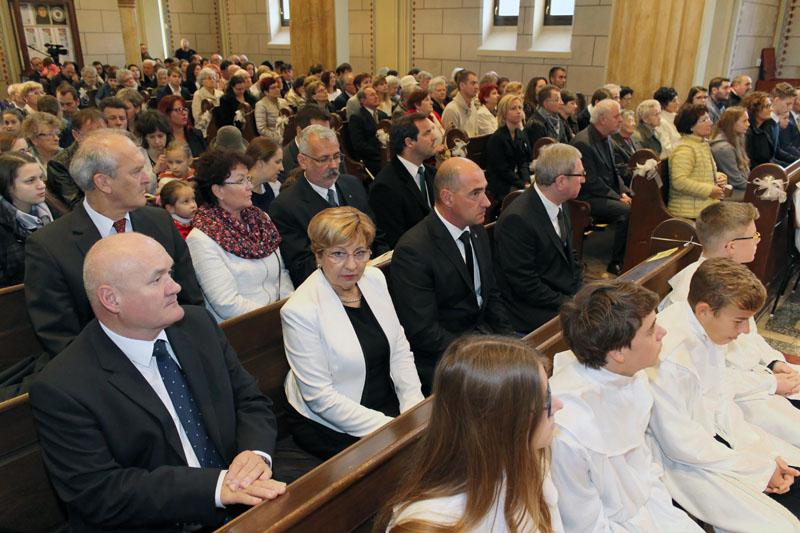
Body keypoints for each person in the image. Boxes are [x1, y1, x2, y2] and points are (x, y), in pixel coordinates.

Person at [29, 233, 285, 531]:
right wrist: (215, 487)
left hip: (242, 497)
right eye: (156, 279)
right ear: (111, 299)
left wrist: (255, 455)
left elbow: (250, 401)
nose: (175, 286)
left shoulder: (197, 325)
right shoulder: (63, 386)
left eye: (170, 273)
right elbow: (99, 491)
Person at [649, 258, 800, 530]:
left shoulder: (707, 327)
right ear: (705, 311)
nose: (745, 331)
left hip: (715, 441)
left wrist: (762, 454)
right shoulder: (671, 358)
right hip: (682, 463)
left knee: (791, 471)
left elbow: (720, 402)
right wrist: (757, 468)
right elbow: (682, 445)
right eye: (739, 321)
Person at [24, 129, 203, 355]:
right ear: (103, 182)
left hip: (176, 350)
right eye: (136, 172)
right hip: (105, 366)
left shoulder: (159, 222)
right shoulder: (49, 246)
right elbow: (61, 337)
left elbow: (191, 301)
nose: (147, 179)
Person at [551, 280, 703, 532]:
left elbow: (643, 470)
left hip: (650, 510)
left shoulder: (632, 377)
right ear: (617, 352)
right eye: (651, 329)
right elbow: (582, 523)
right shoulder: (567, 425)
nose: (663, 332)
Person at [280, 207, 423, 459]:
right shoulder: (300, 311)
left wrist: (413, 407)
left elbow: (399, 349)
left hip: (383, 395)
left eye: (360, 252)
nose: (352, 265)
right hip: (331, 421)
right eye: (338, 254)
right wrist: (393, 428)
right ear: (318, 255)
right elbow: (320, 398)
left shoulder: (374, 279)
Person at [384, 335, 565, 532]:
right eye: (545, 399)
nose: (558, 405)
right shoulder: (428, 524)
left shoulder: (528, 461)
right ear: (502, 421)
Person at [659, 202, 800, 448]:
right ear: (731, 246)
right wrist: (771, 383)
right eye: (754, 236)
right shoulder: (695, 294)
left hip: (756, 375)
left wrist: (774, 362)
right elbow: (715, 377)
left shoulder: (731, 279)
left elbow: (750, 336)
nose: (758, 241)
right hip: (738, 396)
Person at [390, 157, 514, 393]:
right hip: (445, 357)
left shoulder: (476, 230)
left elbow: (492, 295)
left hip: (480, 338)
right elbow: (424, 332)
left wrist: (511, 342)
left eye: (485, 190)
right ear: (447, 197)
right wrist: (482, 353)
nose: (487, 202)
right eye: (475, 193)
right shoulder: (413, 251)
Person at [269, 125, 389, 286]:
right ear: (303, 161)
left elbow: (377, 237)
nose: (333, 165)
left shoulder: (352, 185)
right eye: (324, 159)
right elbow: (302, 267)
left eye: (337, 156)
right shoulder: (285, 206)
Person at [186, 149, 293, 322]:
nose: (250, 186)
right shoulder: (201, 239)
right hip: (242, 328)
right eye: (241, 180)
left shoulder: (261, 219)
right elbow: (226, 303)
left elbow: (282, 272)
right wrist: (275, 317)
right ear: (218, 191)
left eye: (248, 178)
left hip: (282, 316)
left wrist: (291, 307)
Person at [494, 143, 584, 333]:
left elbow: (571, 254)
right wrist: (568, 302)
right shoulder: (517, 220)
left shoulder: (560, 202)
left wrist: (579, 291)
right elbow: (525, 284)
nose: (583, 180)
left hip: (556, 292)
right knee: (590, 326)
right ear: (561, 181)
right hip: (529, 308)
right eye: (580, 174)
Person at [571, 99, 630, 275]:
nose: (621, 120)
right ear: (603, 119)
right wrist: (618, 197)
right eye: (617, 116)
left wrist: (624, 192)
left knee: (640, 201)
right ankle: (616, 262)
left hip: (604, 192)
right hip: (586, 196)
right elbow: (591, 181)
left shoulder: (607, 137)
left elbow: (614, 171)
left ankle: (631, 254)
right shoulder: (583, 142)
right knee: (626, 211)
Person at [368, 113, 437, 248]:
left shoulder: (432, 173)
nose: (434, 137)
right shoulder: (385, 186)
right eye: (427, 133)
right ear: (409, 142)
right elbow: (395, 240)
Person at [0, 151, 52, 287]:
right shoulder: (4, 228)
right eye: (30, 181)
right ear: (8, 186)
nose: (41, 185)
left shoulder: (54, 210)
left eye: (41, 177)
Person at [668, 104, 726, 219]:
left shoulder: (701, 143)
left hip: (704, 206)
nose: (710, 123)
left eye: (709, 118)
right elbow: (679, 181)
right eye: (704, 120)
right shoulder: (685, 149)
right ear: (691, 126)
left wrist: (718, 177)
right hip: (689, 212)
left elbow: (701, 173)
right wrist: (709, 190)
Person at [47, 108, 106, 209]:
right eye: (92, 133)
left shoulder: (113, 153)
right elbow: (75, 203)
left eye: (103, 132)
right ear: (76, 135)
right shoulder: (58, 164)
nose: (99, 137)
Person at [485, 94, 532, 203]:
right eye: (513, 108)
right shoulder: (497, 138)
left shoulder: (520, 134)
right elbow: (502, 170)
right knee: (528, 198)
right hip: (502, 184)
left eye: (520, 108)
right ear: (504, 113)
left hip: (515, 180)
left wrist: (526, 181)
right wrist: (522, 184)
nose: (518, 111)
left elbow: (523, 162)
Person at [348, 87, 389, 176]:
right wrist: (381, 153)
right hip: (370, 158)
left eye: (376, 94)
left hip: (386, 155)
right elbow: (359, 144)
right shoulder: (357, 118)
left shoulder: (383, 115)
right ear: (362, 100)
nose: (376, 97)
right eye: (372, 95)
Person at [710, 106, 751, 197]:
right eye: (744, 121)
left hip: (739, 188)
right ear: (732, 123)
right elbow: (736, 181)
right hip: (729, 192)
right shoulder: (723, 148)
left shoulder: (737, 138)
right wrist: (757, 187)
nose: (748, 124)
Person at [281, 105, 333, 175]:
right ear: (300, 132)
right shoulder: (283, 162)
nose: (325, 138)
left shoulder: (333, 151)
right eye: (318, 132)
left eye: (327, 132)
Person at [245, 137, 284, 213]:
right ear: (260, 163)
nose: (282, 168)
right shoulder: (241, 194)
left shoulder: (273, 187)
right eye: (277, 162)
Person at [441, 70, 480, 136]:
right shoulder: (451, 109)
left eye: (477, 83)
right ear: (462, 85)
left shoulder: (473, 107)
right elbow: (451, 139)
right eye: (473, 83)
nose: (477, 87)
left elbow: (475, 135)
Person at [254, 76, 289, 142]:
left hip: (286, 135)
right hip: (271, 139)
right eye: (273, 88)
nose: (277, 89)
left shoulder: (283, 101)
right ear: (266, 92)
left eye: (277, 87)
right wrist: (277, 138)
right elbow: (261, 129)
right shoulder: (261, 105)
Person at [193, 67, 224, 137]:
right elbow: (197, 116)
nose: (212, 80)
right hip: (204, 126)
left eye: (213, 78)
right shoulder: (198, 94)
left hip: (220, 124)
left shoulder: (220, 93)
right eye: (209, 78)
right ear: (202, 81)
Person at [653, 86, 681, 156]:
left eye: (677, 100)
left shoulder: (676, 116)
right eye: (674, 101)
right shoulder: (660, 121)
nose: (678, 103)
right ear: (663, 104)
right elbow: (666, 148)